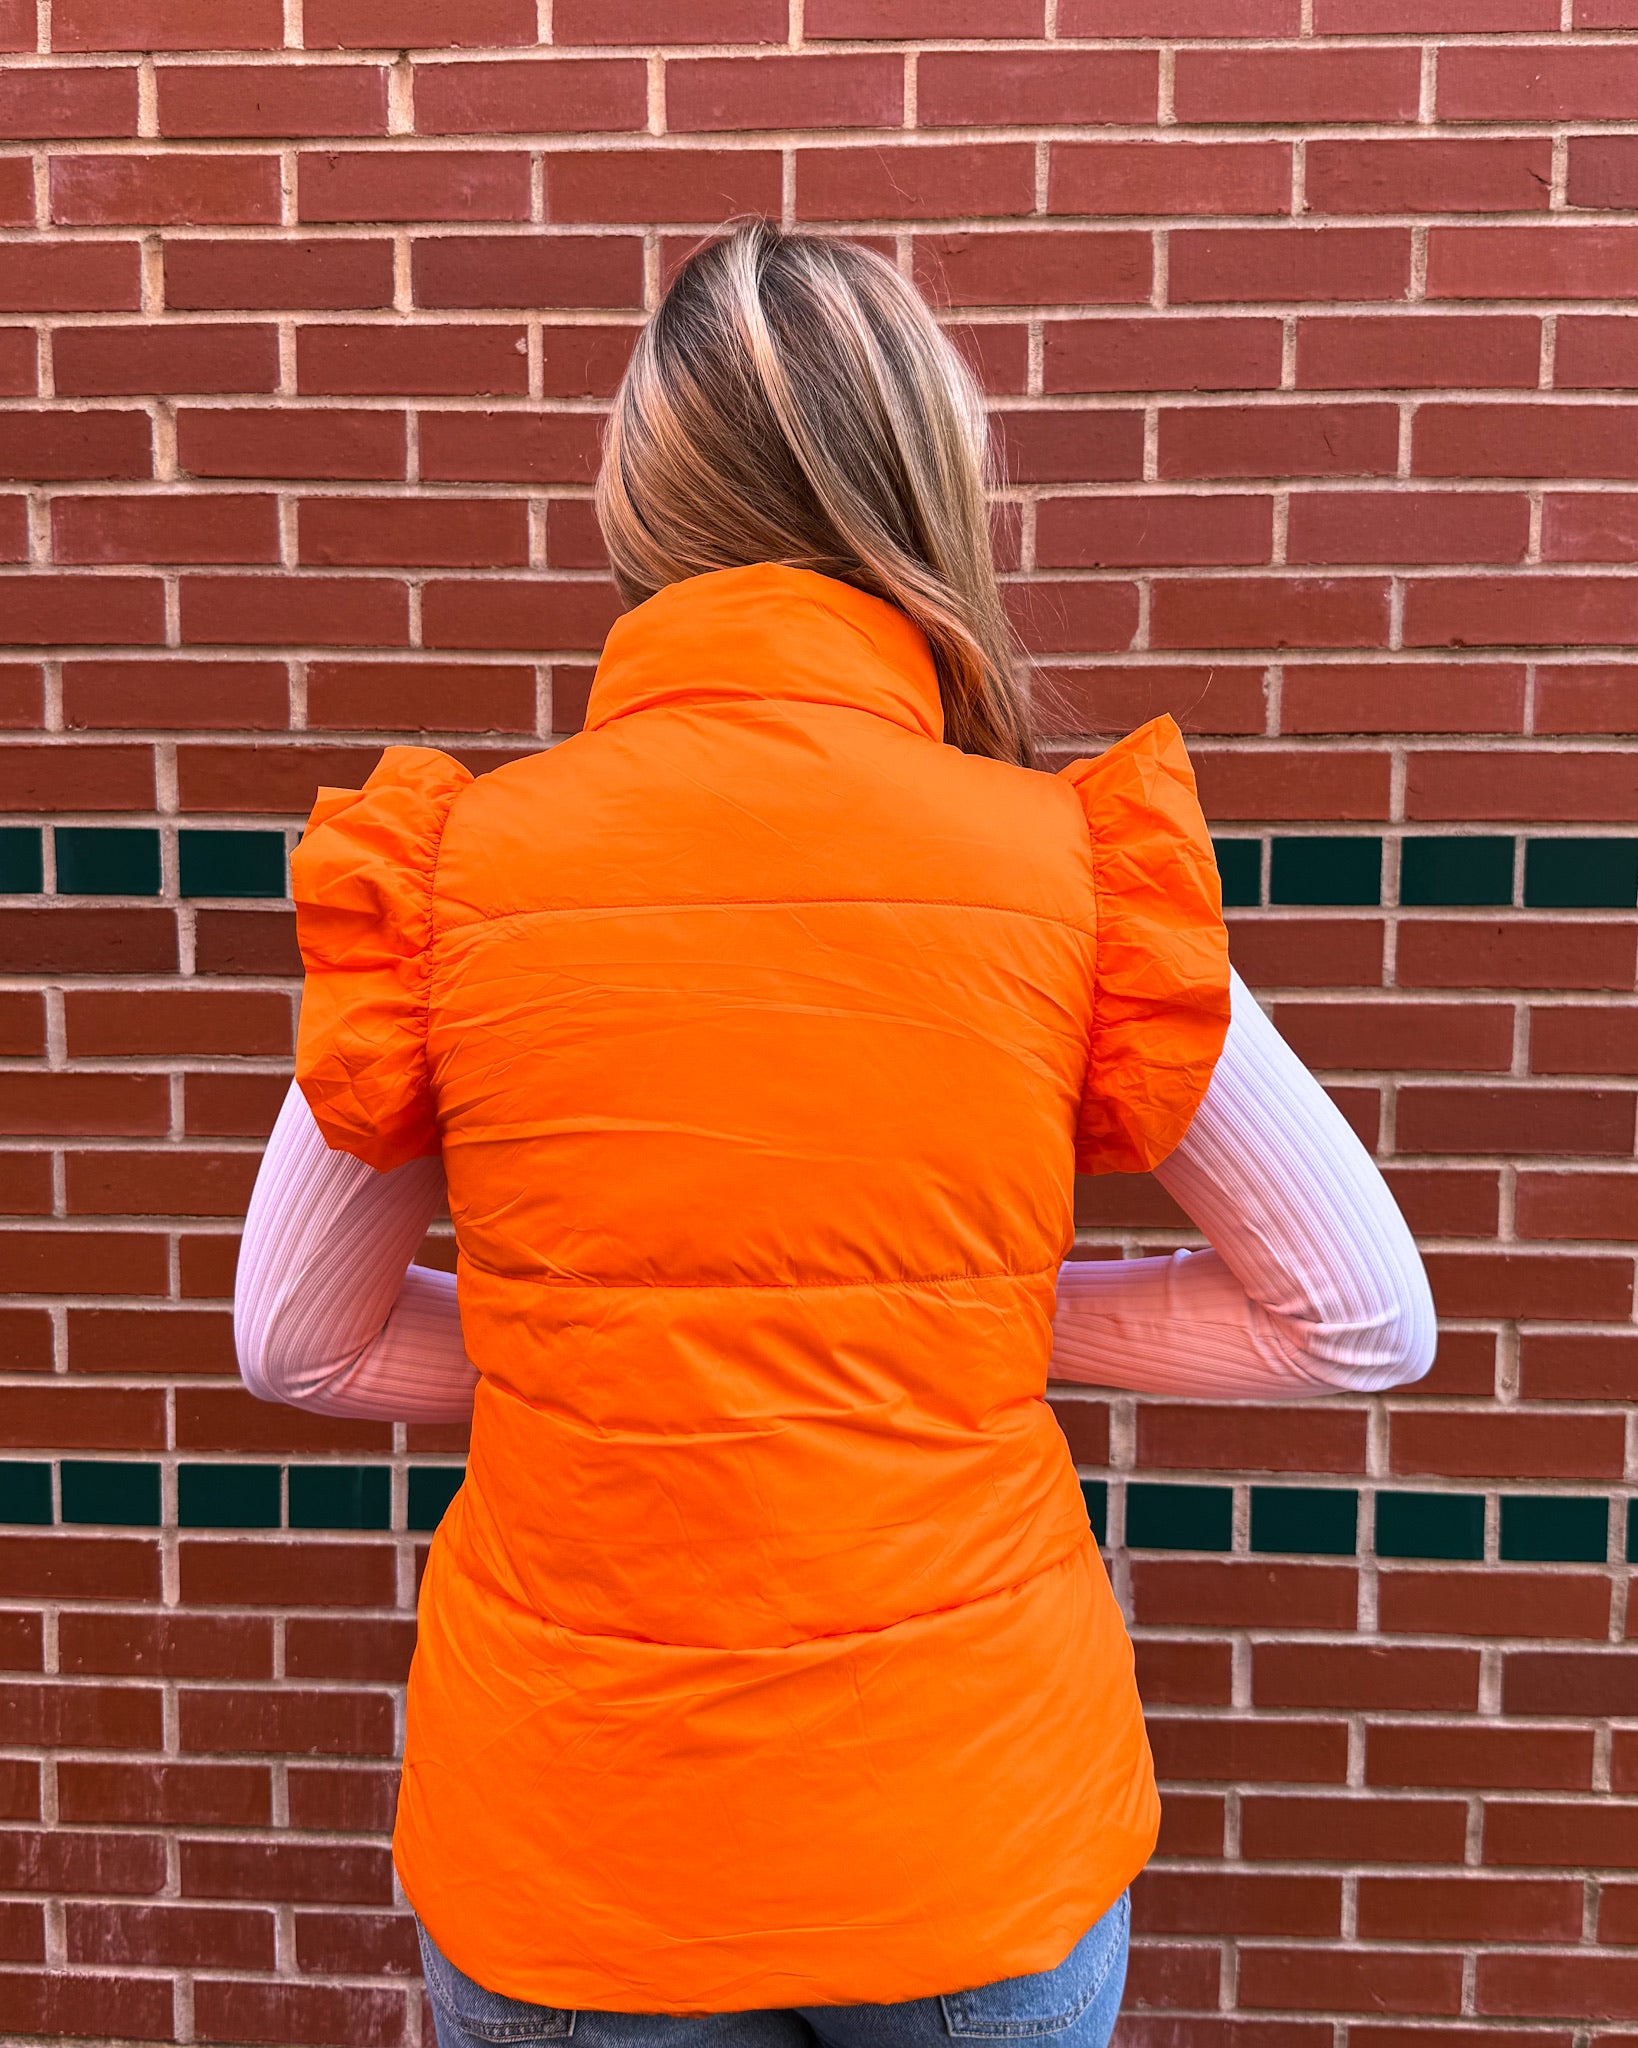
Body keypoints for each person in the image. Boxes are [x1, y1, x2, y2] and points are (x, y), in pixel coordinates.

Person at [235, 221, 1435, 2048]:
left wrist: (624, 1336)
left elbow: (293, 1342)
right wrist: (931, 1325)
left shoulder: (452, 878)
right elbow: (1355, 1322)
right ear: (929, 485)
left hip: (578, 1858)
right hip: (966, 1839)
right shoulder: (1070, 872)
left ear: (638, 500)